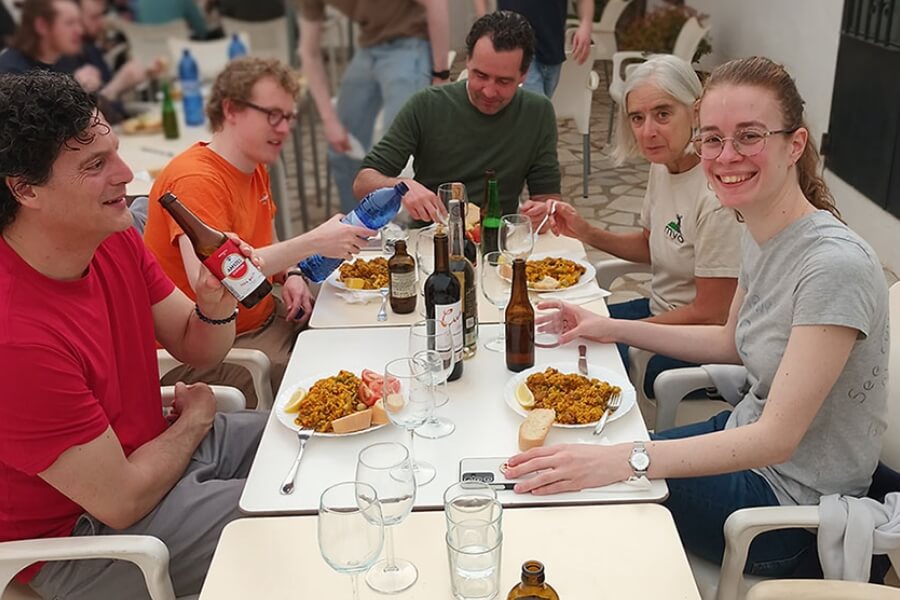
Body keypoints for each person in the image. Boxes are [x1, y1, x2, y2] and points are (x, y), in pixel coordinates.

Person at [506, 56, 889, 577]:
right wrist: (607, 325)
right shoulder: (761, 228)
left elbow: (777, 439)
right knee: (572, 460)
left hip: (788, 514)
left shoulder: (833, 266)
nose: (726, 156)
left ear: (795, 144)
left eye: (749, 136)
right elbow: (730, 341)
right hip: (746, 446)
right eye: (712, 139)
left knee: (582, 491)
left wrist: (626, 459)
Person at [0, 71, 268, 599]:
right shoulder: (16, 338)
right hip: (86, 535)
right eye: (95, 165)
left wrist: (215, 306)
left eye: (115, 154)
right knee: (307, 510)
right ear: (25, 189)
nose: (126, 175)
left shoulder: (109, 237)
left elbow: (196, 346)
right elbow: (120, 500)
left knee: (321, 442)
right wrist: (194, 420)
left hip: (159, 453)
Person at [143, 56, 372, 406]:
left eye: (289, 117)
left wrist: (292, 273)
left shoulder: (252, 164)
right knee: (334, 387)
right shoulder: (196, 180)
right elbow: (214, 279)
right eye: (273, 115)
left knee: (352, 327)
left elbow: (267, 240)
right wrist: (315, 241)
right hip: (212, 351)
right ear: (231, 110)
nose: (284, 128)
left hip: (262, 321)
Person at [524, 54, 741, 399]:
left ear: (696, 112)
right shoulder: (664, 165)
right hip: (659, 313)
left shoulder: (716, 197)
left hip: (697, 346)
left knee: (570, 369)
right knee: (546, 336)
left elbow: (711, 315)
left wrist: (617, 329)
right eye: (637, 118)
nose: (648, 131)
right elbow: (651, 244)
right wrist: (585, 231)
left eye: (663, 114)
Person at [354, 10, 561, 223]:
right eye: (480, 75)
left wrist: (544, 214)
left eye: (504, 81)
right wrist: (401, 187)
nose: (489, 92)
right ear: (468, 61)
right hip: (432, 235)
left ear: (523, 75)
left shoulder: (538, 112)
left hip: (498, 236)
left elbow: (547, 196)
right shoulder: (427, 104)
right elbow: (362, 183)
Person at [296, 0, 450, 214]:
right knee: (341, 148)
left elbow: (436, 4)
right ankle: (357, 223)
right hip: (369, 45)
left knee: (399, 151)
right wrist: (329, 120)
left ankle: (410, 222)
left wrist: (440, 73)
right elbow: (308, 52)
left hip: (410, 41)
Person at [472, 0, 593, 98]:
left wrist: (586, 24)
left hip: (552, 48)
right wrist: (485, 26)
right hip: (515, 45)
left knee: (538, 108)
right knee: (535, 109)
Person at [0, 0, 82, 73]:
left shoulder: (70, 62)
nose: (80, 31)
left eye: (79, 22)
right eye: (69, 23)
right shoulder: (10, 72)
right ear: (42, 26)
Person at [131, 0, 207, 39]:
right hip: (180, 55)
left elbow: (140, 30)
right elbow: (201, 30)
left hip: (153, 58)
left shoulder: (140, 3)